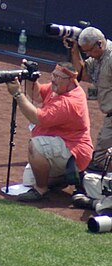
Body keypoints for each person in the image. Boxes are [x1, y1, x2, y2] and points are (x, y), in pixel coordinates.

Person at [6, 62, 93, 202]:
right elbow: (38, 94)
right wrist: (30, 78)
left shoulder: (69, 102)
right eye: (53, 75)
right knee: (29, 179)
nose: (53, 79)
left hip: (74, 150)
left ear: (70, 80)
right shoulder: (60, 89)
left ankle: (41, 191)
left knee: (36, 146)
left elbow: (36, 118)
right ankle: (69, 177)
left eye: (58, 77)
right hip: (63, 145)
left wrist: (17, 93)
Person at [68, 27, 112, 172]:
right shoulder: (97, 58)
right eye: (85, 52)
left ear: (100, 44)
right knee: (99, 158)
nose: (88, 55)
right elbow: (81, 74)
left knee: (100, 159)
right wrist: (75, 51)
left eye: (89, 51)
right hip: (109, 116)